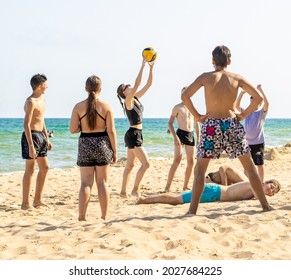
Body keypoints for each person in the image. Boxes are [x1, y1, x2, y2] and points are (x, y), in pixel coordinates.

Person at [181, 45, 272, 215]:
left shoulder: (206, 77)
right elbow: (258, 98)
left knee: (200, 170)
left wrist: (197, 116)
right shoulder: (236, 78)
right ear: (229, 61)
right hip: (231, 124)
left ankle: (192, 210)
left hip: (211, 125)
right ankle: (265, 206)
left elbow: (185, 96)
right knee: (250, 168)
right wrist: (243, 114)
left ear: (213, 61)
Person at [70, 75, 117, 221]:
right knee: (102, 182)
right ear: (100, 89)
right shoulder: (107, 106)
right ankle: (104, 216)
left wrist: (84, 126)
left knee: (85, 183)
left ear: (86, 88)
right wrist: (114, 150)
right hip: (102, 144)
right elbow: (111, 131)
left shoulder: (78, 107)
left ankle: (82, 217)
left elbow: (72, 129)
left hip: (85, 143)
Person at [117, 58, 154, 198]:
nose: (130, 85)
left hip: (136, 133)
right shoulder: (128, 100)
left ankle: (122, 192)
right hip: (133, 134)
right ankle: (135, 190)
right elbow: (138, 83)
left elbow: (148, 84)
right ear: (124, 92)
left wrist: (151, 68)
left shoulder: (136, 98)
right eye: (126, 86)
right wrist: (142, 65)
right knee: (146, 164)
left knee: (130, 166)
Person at [21, 74, 52, 210]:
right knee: (30, 170)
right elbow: (26, 125)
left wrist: (47, 138)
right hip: (31, 136)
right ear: (39, 86)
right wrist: (31, 146)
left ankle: (37, 200)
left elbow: (42, 119)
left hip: (41, 136)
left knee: (45, 168)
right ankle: (25, 203)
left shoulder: (43, 99)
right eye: (45, 84)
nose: (47, 86)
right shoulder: (30, 102)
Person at [164, 86, 200, 192]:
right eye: (183, 93)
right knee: (177, 160)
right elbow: (170, 123)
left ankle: (185, 186)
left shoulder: (193, 108)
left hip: (190, 134)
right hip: (180, 133)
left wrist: (198, 138)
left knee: (191, 161)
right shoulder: (177, 107)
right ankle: (167, 186)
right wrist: (175, 137)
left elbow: (197, 124)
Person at [136, 179, 281, 205]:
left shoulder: (257, 188)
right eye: (270, 187)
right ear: (264, 182)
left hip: (214, 194)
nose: (270, 191)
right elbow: (259, 197)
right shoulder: (255, 185)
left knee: (177, 198)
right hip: (214, 191)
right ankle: (144, 199)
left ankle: (146, 197)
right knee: (176, 199)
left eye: (272, 192)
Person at [235, 84, 269, 182]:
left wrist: (261, 90)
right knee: (247, 166)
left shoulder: (261, 113)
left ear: (259, 102)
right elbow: (236, 106)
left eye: (255, 99)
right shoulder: (246, 111)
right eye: (251, 99)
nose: (253, 101)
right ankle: (246, 184)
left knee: (259, 164)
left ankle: (261, 183)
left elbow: (267, 104)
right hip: (246, 143)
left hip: (258, 143)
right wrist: (241, 93)